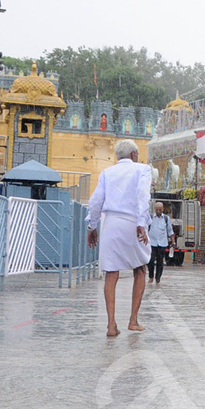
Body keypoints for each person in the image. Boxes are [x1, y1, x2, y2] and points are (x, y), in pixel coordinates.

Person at [87, 139, 152, 336]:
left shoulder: (107, 172)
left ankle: (111, 325)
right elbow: (142, 195)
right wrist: (141, 222)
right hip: (132, 222)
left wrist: (92, 226)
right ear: (133, 154)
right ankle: (133, 320)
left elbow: (96, 200)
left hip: (111, 223)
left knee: (111, 272)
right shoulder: (143, 169)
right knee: (140, 268)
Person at [146, 201, 175, 285]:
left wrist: (173, 241)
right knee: (150, 260)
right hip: (152, 243)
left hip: (162, 243)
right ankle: (151, 276)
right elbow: (146, 229)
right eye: (157, 209)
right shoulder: (150, 218)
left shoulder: (166, 218)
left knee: (160, 262)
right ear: (155, 209)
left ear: (163, 209)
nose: (158, 211)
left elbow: (170, 231)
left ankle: (158, 279)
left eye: (160, 209)